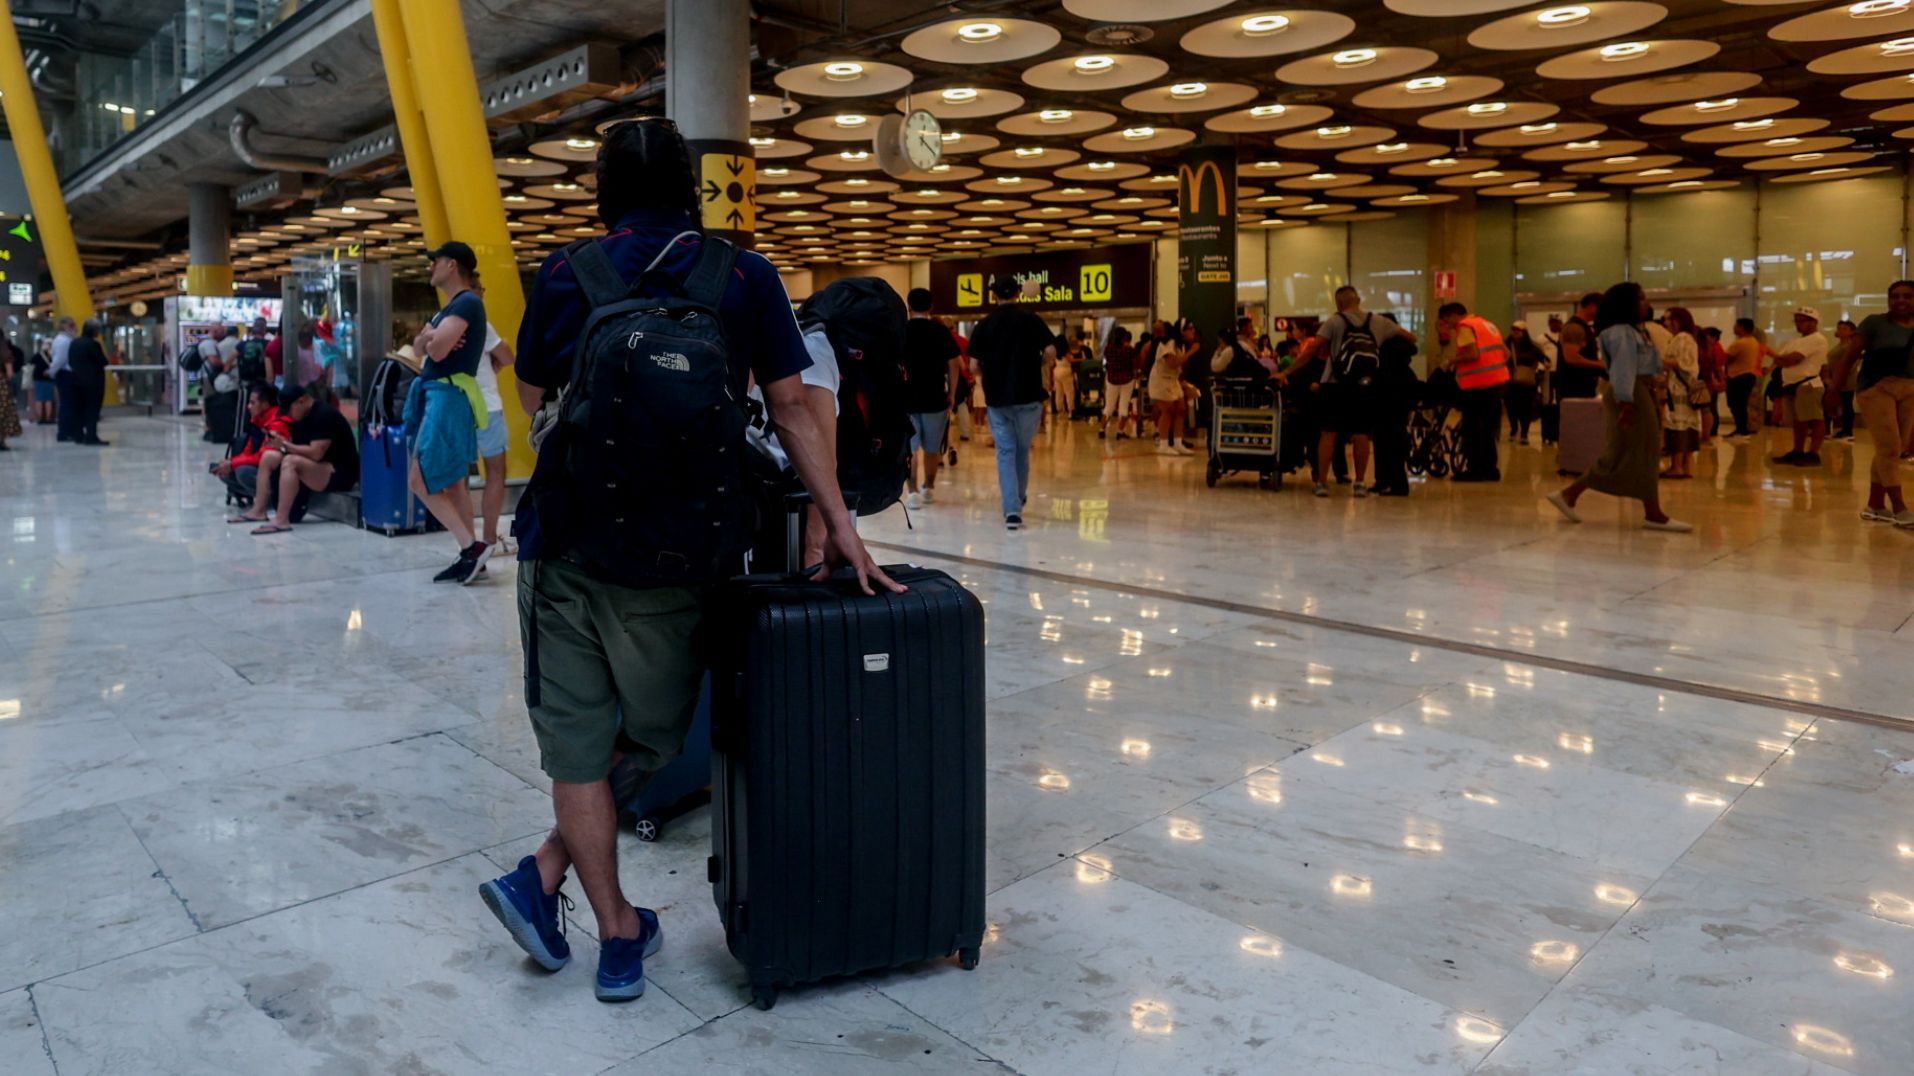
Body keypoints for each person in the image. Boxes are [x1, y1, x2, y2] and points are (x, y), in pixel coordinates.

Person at [481, 117, 894, 1006]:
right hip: (682, 555)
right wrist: (841, 525)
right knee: (658, 737)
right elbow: (792, 407)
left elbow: (533, 396)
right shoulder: (744, 274)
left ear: (603, 193)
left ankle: (601, 923)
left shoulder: (566, 272)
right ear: (692, 190)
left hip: (565, 545)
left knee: (575, 749)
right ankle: (589, 908)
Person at [1546, 282, 1691, 533]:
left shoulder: (1632, 330)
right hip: (1631, 392)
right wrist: (1627, 404)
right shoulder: (1622, 332)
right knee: (1638, 450)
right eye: (1641, 299)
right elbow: (1623, 370)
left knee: (1631, 450)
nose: (1646, 303)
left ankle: (1571, 495)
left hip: (1637, 390)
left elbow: (1642, 363)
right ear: (1627, 304)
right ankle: (1652, 513)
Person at [406, 240, 493, 584]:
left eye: (436, 261)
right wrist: (430, 337)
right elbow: (419, 348)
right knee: (455, 484)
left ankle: (471, 548)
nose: (431, 267)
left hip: (447, 397)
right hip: (446, 397)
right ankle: (472, 558)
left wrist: (432, 338)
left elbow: (437, 352)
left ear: (452, 265)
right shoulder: (453, 307)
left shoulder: (467, 303)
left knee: (419, 479)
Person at [1293, 286, 1410, 496]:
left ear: (1339, 303)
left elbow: (1312, 348)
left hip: (1334, 383)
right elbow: (1411, 338)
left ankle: (1322, 483)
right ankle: (1360, 483)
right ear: (1359, 300)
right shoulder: (1378, 321)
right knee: (1361, 434)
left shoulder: (1335, 321)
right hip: (1363, 385)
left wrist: (1286, 372)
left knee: (1328, 433)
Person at [970, 275, 1055, 527]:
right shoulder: (1032, 319)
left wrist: (990, 374)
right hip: (1029, 395)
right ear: (1018, 293)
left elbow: (973, 366)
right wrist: (1037, 364)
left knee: (1005, 451)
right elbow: (1051, 351)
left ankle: (1012, 510)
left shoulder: (984, 324)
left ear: (994, 295)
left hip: (998, 398)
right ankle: (1018, 497)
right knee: (1021, 450)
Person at [1829, 280, 1914, 526]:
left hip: (1910, 388)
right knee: (1889, 447)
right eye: (1895, 296)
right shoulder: (1874, 323)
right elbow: (1849, 358)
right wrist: (1833, 390)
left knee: (1893, 449)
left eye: (1907, 296)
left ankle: (1875, 505)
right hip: (1876, 388)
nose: (1901, 300)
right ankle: (1899, 507)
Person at [238, 386, 358, 533]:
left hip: (338, 471)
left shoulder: (324, 415)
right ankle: (258, 511)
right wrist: (279, 444)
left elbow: (315, 453)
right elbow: (297, 447)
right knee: (269, 457)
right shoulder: (300, 417)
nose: (289, 415)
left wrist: (285, 445)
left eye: (289, 410)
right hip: (317, 465)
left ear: (301, 401)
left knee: (291, 462)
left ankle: (281, 520)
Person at [902, 287, 962, 510]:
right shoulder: (940, 331)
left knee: (910, 448)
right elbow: (954, 364)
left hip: (907, 400)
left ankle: (912, 492)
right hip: (935, 398)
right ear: (931, 307)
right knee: (932, 447)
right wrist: (952, 393)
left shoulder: (901, 330)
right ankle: (928, 487)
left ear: (909, 306)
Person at [1436, 301, 1508, 482]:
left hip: (1478, 386)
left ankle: (1475, 470)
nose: (1447, 325)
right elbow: (1506, 354)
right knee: (1488, 429)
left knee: (1473, 429)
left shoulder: (1465, 327)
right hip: (1497, 383)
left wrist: (1451, 361)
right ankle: (1490, 469)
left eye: (1446, 320)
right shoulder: (1487, 325)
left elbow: (1472, 354)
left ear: (1453, 315)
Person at [471, 306, 517, 552]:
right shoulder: (480, 323)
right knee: (496, 472)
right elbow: (508, 357)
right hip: (487, 407)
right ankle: (489, 539)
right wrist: (493, 356)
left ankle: (468, 544)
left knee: (458, 478)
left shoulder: (441, 321)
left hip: (458, 407)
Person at [1770, 306, 1830, 467]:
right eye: (1796, 321)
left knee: (1815, 419)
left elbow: (1792, 359)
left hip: (1807, 384)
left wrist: (1781, 359)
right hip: (1791, 385)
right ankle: (1798, 451)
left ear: (1813, 322)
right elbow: (1779, 359)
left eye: (1802, 321)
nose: (1798, 324)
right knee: (1798, 420)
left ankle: (1813, 453)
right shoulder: (1795, 341)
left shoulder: (1817, 339)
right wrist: (1781, 359)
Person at [215, 383, 290, 506]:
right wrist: (230, 462)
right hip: (259, 467)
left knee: (243, 472)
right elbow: (248, 451)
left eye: (252, 403)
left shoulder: (277, 424)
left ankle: (271, 499)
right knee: (225, 472)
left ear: (265, 404)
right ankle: (259, 497)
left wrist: (233, 463)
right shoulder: (257, 421)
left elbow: (263, 456)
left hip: (275, 471)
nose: (248, 407)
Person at [1370, 314, 1420, 497]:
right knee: (1395, 438)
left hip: (1386, 394)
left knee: (1385, 440)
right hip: (1402, 394)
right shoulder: (1403, 347)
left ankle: (1389, 482)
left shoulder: (1385, 348)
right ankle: (1393, 481)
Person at [1659, 307, 1702, 479]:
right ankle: (1685, 466)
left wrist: (1659, 361)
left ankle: (1676, 466)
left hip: (1679, 390)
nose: (1666, 323)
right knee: (1686, 426)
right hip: (1682, 389)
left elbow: (1683, 362)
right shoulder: (1687, 338)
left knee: (1677, 426)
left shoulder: (1682, 338)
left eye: (1669, 319)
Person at [1147, 317, 1192, 456]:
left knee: (1181, 410)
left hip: (1173, 380)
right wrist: (1192, 352)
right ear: (1182, 331)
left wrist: (1184, 383)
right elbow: (1172, 364)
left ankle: (1178, 443)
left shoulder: (1180, 345)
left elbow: (1178, 367)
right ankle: (1163, 444)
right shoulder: (1168, 343)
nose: (1193, 332)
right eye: (1190, 329)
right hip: (1161, 380)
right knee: (1167, 411)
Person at [1554, 293, 1606, 405]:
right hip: (1573, 389)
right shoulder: (1574, 327)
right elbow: (1571, 358)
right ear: (1592, 306)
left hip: (1582, 387)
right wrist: (1598, 364)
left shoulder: (1584, 327)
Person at [65, 319, 110, 446]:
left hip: (76, 379)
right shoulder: (93, 344)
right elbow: (103, 361)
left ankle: (78, 435)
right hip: (93, 381)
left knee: (78, 408)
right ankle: (91, 436)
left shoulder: (74, 343)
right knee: (92, 409)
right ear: (94, 331)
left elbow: (70, 361)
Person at [1506, 320, 1546, 445]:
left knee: (1525, 408)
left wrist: (1538, 367)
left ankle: (1524, 432)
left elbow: (1545, 360)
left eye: (1518, 330)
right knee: (1511, 407)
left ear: (1524, 332)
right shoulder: (1506, 345)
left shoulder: (1532, 347)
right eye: (1513, 330)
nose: (1515, 332)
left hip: (1527, 383)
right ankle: (1514, 428)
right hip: (1509, 381)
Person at [1723, 318, 1764, 438]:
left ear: (1741, 327)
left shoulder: (1740, 343)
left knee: (1736, 404)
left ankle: (1741, 429)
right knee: (1740, 404)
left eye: (1736, 325)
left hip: (1738, 376)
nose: (1734, 328)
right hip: (1748, 376)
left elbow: (1725, 357)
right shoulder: (1754, 341)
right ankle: (1742, 428)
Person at [1100, 326, 1138, 441]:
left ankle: (1101, 430)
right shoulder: (1129, 350)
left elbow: (1107, 362)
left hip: (1112, 379)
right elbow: (1134, 365)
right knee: (1123, 406)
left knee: (1109, 406)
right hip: (1127, 379)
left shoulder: (1108, 348)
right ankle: (1120, 432)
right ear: (1125, 337)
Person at [1830, 319, 1860, 441]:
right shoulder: (1839, 345)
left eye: (1844, 329)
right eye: (1839, 328)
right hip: (1835, 379)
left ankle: (1848, 431)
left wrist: (1841, 379)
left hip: (1845, 380)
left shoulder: (1850, 346)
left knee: (1847, 404)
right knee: (1841, 404)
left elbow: (1851, 364)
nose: (1840, 331)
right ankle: (1842, 429)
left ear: (1852, 332)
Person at [49, 317, 77, 442]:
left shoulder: (66, 340)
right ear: (64, 327)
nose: (75, 328)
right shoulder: (63, 341)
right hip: (65, 374)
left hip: (65, 374)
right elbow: (59, 360)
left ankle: (68, 430)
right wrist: (52, 372)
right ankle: (65, 432)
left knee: (68, 404)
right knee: (67, 404)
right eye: (71, 325)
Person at [1698, 325, 1728, 441]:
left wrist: (1720, 380)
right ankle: (1711, 431)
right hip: (1710, 380)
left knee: (1709, 407)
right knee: (1710, 406)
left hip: (1709, 380)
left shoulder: (1712, 348)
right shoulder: (1714, 347)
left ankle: (1711, 431)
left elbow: (1717, 367)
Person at [1049, 331, 1078, 421]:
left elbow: (1052, 363)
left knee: (1059, 393)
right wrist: (1082, 359)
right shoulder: (1065, 350)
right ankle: (1071, 412)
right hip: (1065, 371)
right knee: (1069, 392)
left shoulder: (1055, 351)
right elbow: (1070, 360)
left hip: (1057, 371)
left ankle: (1060, 411)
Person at [29, 336, 55, 426]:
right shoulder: (53, 355)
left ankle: (40, 419)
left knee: (39, 398)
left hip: (38, 378)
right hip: (49, 379)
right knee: (49, 399)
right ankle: (48, 418)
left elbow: (30, 362)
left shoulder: (38, 354)